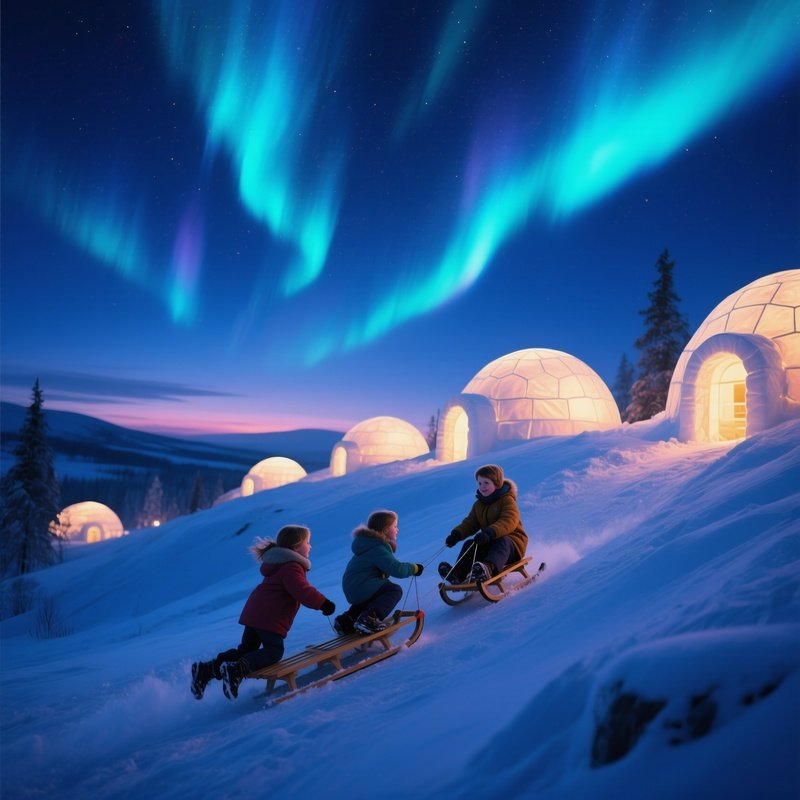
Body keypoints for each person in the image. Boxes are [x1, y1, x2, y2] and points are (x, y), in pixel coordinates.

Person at [190, 524, 335, 701]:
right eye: (307, 542)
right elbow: (302, 590)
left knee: (247, 649)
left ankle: (208, 669)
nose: (310, 546)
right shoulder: (291, 566)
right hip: (269, 617)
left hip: (255, 612)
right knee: (273, 652)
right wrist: (324, 604)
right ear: (296, 546)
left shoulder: (280, 564)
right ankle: (236, 670)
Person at [333, 510, 424, 635]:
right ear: (385, 529)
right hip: (362, 585)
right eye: (395, 526)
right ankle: (369, 619)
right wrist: (414, 568)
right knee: (393, 590)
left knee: (374, 595)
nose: (397, 529)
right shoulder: (377, 547)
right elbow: (396, 569)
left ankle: (347, 621)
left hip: (354, 586)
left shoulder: (368, 545)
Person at [439, 464, 528, 584]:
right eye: (480, 483)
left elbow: (509, 520)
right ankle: (458, 573)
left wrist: (490, 532)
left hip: (512, 545)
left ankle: (487, 569)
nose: (482, 486)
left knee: (502, 541)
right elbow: (470, 523)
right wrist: (457, 535)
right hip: (489, 542)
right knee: (470, 544)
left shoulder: (507, 500)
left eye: (486, 482)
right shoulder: (479, 505)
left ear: (497, 483)